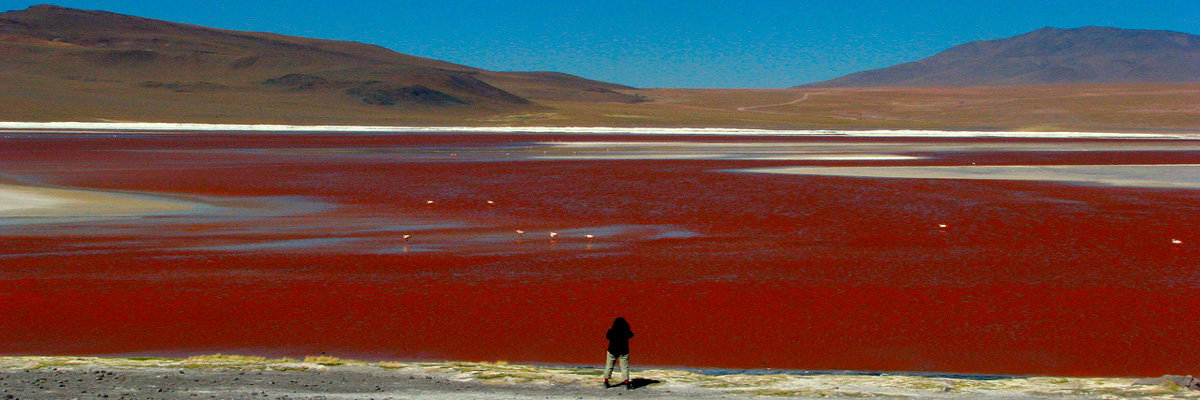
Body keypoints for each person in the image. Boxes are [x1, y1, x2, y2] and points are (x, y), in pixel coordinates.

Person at [603, 317, 634, 389]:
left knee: (609, 366)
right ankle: (626, 382)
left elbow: (607, 337)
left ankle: (606, 381)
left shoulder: (611, 331)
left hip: (612, 351)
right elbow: (631, 335)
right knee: (624, 367)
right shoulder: (626, 331)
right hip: (623, 351)